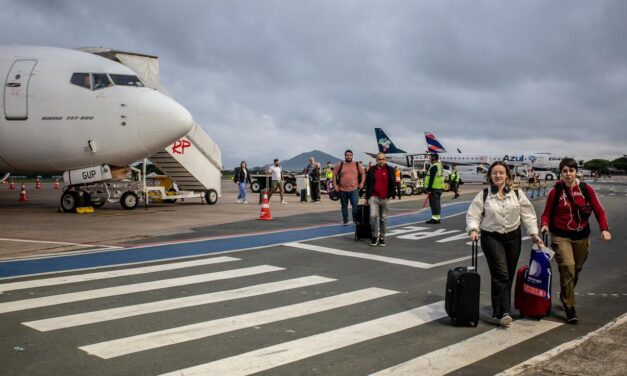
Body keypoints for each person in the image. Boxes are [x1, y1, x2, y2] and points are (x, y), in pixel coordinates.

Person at [466, 161, 543, 327]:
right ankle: (505, 312)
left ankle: (497, 310)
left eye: (501, 172)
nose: (498, 175)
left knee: (507, 273)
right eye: (494, 173)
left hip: (513, 237)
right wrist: (473, 229)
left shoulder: (517, 193)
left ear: (507, 175)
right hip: (491, 237)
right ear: (490, 176)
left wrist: (534, 234)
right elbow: (473, 214)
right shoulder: (484, 194)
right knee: (501, 273)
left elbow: (528, 214)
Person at [540, 158, 611, 324]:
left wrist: (604, 229)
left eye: (571, 170)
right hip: (560, 236)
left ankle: (566, 293)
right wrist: (544, 225)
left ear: (576, 172)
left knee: (576, 270)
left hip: (581, 237)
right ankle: (569, 307)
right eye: (565, 171)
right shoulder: (555, 191)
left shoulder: (586, 189)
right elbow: (546, 213)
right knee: (568, 268)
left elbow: (599, 211)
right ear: (561, 173)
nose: (568, 174)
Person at [365, 153, 396, 246]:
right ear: (376, 160)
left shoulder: (390, 169)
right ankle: (375, 236)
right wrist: (367, 198)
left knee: (383, 219)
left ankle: (382, 237)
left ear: (385, 159)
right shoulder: (372, 170)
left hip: (385, 198)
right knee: (372, 217)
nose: (381, 161)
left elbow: (393, 182)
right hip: (374, 197)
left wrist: (391, 194)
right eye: (379, 159)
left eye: (383, 159)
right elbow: (368, 184)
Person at [333, 150, 365, 225]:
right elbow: (334, 175)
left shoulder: (357, 164)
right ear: (345, 156)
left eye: (350, 155)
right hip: (342, 189)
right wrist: (335, 186)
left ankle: (355, 219)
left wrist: (362, 183)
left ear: (352, 156)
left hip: (354, 189)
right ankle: (345, 220)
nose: (349, 156)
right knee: (344, 206)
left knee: (355, 206)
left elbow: (363, 174)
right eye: (347, 155)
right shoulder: (340, 164)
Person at [424, 153, 445, 224]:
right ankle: (437, 218)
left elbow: (431, 179)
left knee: (434, 204)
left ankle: (435, 219)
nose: (429, 159)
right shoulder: (440, 166)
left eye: (430, 157)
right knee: (437, 204)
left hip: (434, 188)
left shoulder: (434, 166)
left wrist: (429, 189)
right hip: (439, 188)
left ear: (433, 158)